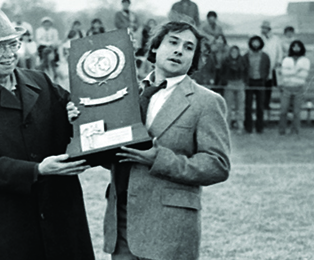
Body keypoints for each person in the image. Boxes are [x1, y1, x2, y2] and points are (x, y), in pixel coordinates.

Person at [74, 21, 230, 260]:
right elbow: (110, 153)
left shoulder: (206, 102)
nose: (179, 50)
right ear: (155, 48)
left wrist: (160, 159)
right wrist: (80, 123)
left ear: (194, 59)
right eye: (173, 42)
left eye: (189, 48)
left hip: (169, 226)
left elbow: (217, 165)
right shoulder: (124, 94)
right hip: (122, 220)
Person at [0, 10, 94, 260]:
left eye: (13, 44)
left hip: (58, 212)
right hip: (4, 223)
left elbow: (70, 125)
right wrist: (37, 170)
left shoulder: (41, 81)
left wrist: (74, 115)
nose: (9, 54)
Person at [278, 40, 310, 135]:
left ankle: (295, 129)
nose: (296, 48)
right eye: (294, 46)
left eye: (298, 46)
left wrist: (290, 71)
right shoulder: (286, 59)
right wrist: (296, 71)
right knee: (283, 110)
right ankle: (282, 129)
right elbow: (284, 73)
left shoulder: (305, 60)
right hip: (287, 87)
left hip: (299, 87)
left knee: (296, 112)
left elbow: (304, 74)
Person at [243, 36, 270, 134]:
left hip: (260, 81)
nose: (255, 44)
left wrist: (264, 78)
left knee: (260, 106)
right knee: (248, 105)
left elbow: (267, 68)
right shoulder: (246, 56)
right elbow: (244, 68)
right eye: (254, 42)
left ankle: (260, 127)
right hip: (249, 81)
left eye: (257, 42)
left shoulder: (265, 56)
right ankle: (248, 127)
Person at [220, 45, 247, 133]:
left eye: (236, 52)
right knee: (228, 106)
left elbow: (246, 71)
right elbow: (222, 72)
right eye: (232, 52)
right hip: (229, 84)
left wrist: (244, 82)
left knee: (240, 106)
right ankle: (227, 126)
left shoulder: (242, 61)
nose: (234, 54)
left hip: (240, 83)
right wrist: (225, 81)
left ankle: (240, 126)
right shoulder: (226, 61)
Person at [259, 20, 283, 110]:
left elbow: (279, 51)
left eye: (265, 28)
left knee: (269, 86)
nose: (263, 30)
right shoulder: (259, 38)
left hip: (273, 66)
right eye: (263, 28)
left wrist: (278, 61)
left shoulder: (276, 39)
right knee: (262, 85)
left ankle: (266, 104)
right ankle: (261, 104)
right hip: (261, 66)